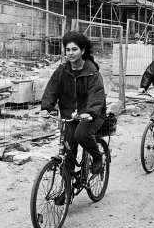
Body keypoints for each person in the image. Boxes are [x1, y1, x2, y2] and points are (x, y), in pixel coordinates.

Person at [40, 32, 106, 175]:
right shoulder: (62, 70)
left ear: (82, 51)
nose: (70, 53)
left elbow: (97, 96)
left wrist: (90, 113)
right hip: (69, 114)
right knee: (67, 148)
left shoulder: (92, 73)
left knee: (81, 135)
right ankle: (66, 188)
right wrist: (46, 107)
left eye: (74, 49)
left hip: (91, 114)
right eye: (68, 50)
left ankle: (97, 157)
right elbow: (52, 89)